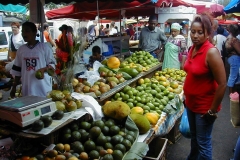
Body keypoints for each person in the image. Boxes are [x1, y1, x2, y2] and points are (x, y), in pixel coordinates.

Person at [183, 13, 226, 160]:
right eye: (193, 32)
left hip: (204, 107)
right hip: (191, 104)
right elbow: (191, 74)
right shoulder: (192, 49)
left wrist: (212, 111)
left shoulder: (211, 52)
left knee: (203, 144)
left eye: (200, 32)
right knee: (194, 139)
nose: (195, 35)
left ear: (207, 33)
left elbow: (222, 84)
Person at [10, 22, 56, 98]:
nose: (24, 34)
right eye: (23, 31)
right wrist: (14, 87)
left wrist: (43, 69)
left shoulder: (44, 48)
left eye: (27, 31)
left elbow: (52, 66)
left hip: (43, 90)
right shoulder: (21, 50)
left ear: (35, 32)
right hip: (27, 90)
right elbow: (17, 70)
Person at [225, 24, 240, 94]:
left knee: (234, 75)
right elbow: (239, 51)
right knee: (233, 75)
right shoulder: (234, 40)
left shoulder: (228, 37)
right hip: (235, 58)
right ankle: (231, 93)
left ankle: (233, 92)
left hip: (231, 58)